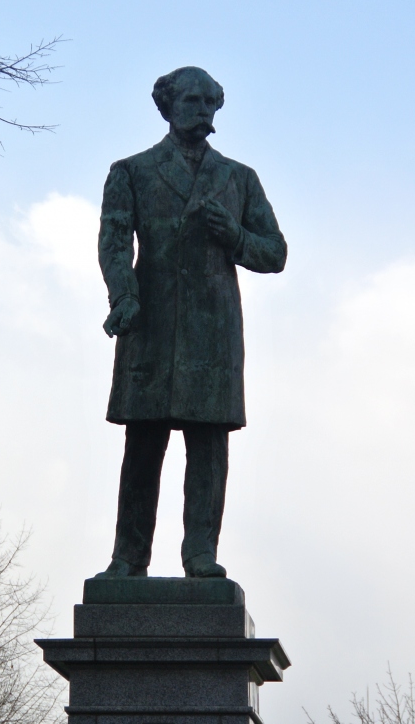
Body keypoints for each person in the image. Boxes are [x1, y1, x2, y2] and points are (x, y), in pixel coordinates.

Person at [96, 67, 288, 579]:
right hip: (151, 325)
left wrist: (236, 238)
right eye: (191, 100)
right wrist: (124, 295)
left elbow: (275, 253)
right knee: (143, 445)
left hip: (213, 330)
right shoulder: (132, 171)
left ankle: (200, 553)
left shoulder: (238, 178)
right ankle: (128, 557)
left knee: (208, 447)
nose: (202, 110)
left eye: (209, 102)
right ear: (167, 106)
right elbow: (114, 243)